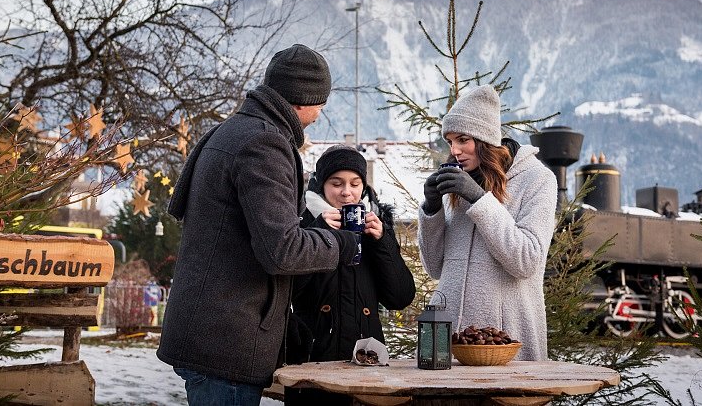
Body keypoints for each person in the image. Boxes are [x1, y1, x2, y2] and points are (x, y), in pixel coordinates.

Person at [157, 44, 360, 406]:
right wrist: (339, 243)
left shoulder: (233, 131)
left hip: (210, 332)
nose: (321, 112)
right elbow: (281, 250)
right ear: (304, 98)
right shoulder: (264, 144)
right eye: (321, 102)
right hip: (226, 341)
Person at [417, 85, 557, 361]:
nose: (454, 150)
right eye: (450, 141)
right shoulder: (456, 180)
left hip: (505, 341)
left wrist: (480, 200)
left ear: (484, 139)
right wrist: (431, 209)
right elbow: (434, 268)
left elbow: (526, 260)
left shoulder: (537, 179)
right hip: (448, 343)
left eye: (463, 140)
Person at [285, 145, 416, 406]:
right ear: (322, 185)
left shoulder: (376, 229)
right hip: (313, 361)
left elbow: (400, 297)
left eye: (355, 183)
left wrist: (381, 243)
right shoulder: (300, 224)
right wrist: (318, 235)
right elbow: (289, 291)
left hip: (368, 362)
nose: (347, 192)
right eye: (337, 183)